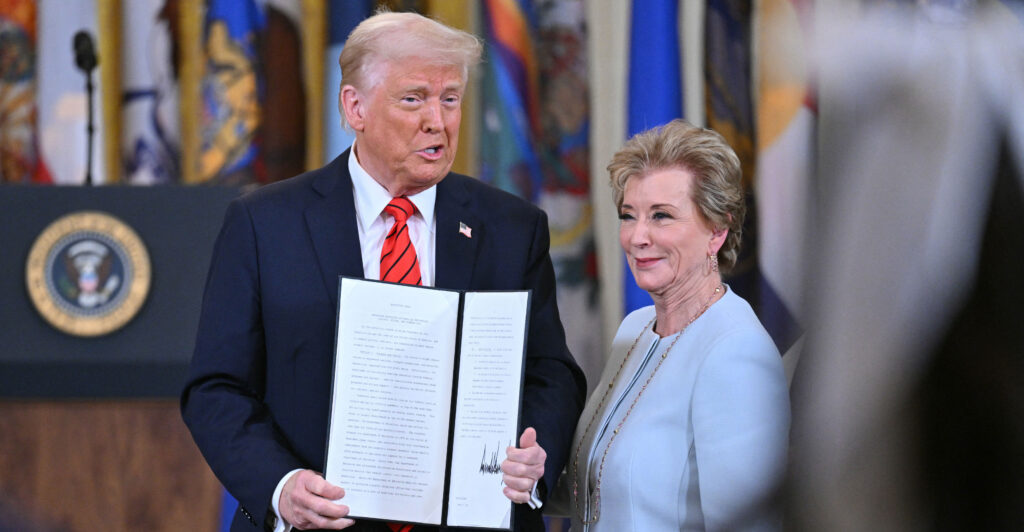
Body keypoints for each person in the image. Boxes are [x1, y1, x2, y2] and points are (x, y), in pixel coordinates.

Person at [181, 11, 585, 532]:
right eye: (413, 98)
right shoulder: (265, 224)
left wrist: (534, 453)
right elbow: (216, 386)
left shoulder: (512, 227)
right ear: (355, 107)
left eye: (450, 98)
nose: (437, 121)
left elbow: (550, 372)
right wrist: (280, 486)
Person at [549, 119, 790, 531]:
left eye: (661, 216)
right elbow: (594, 489)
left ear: (717, 230)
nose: (637, 237)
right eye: (629, 216)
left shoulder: (736, 351)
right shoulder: (636, 329)